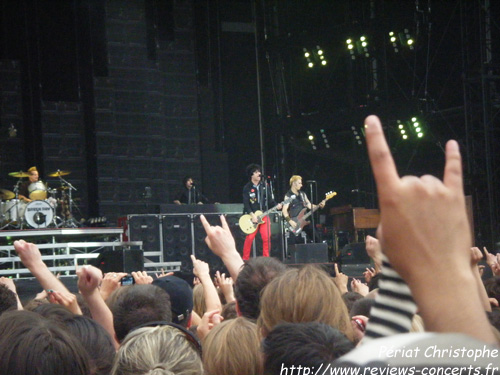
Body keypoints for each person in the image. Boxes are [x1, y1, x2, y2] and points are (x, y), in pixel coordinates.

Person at [242, 164, 281, 260]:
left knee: (266, 237)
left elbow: (270, 200)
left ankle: (266, 259)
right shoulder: (247, 187)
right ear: (251, 175)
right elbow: (246, 204)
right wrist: (252, 215)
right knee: (250, 238)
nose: (259, 174)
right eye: (256, 172)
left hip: (263, 215)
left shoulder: (264, 186)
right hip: (251, 216)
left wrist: (277, 205)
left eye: (259, 172)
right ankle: (245, 259)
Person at [282, 175, 324, 244]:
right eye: (299, 183)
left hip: (305, 221)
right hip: (295, 222)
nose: (301, 185)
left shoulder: (302, 194)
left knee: (317, 238)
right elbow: (284, 211)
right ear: (294, 183)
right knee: (297, 243)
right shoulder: (288, 195)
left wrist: (318, 206)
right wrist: (290, 221)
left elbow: (309, 205)